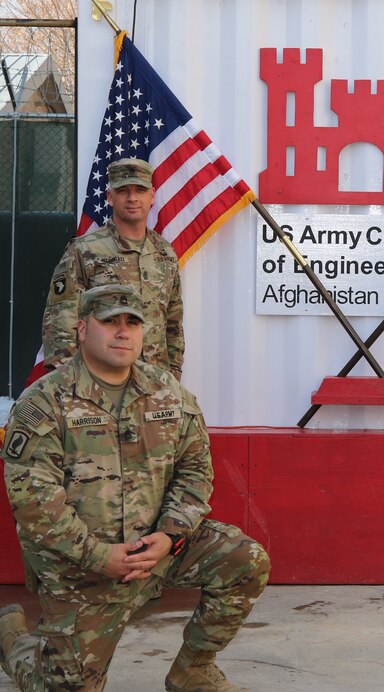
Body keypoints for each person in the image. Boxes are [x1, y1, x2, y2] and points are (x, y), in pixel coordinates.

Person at [0, 284, 269, 691]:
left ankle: (192, 669)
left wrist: (170, 535)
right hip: (82, 568)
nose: (123, 332)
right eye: (110, 322)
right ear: (82, 329)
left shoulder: (168, 392)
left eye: (132, 323)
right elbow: (35, 505)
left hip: (156, 549)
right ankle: (13, 642)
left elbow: (195, 470)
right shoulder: (45, 403)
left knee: (244, 559)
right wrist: (99, 556)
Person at [43, 158, 185, 380]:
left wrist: (173, 376)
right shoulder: (84, 250)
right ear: (110, 197)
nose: (132, 198)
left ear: (152, 196)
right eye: (123, 191)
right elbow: (61, 320)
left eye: (140, 189)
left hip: (155, 385)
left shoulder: (164, 253)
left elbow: (174, 322)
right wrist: (67, 382)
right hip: (100, 384)